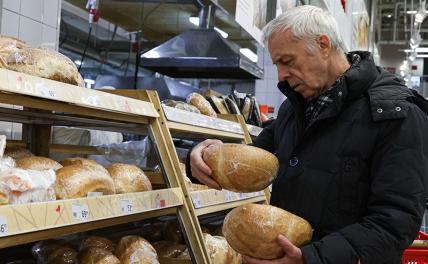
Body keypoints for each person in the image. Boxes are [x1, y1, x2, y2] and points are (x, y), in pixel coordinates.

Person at [187, 5, 428, 264]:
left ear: (323, 45)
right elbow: (248, 158)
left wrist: (311, 258)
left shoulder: (395, 114)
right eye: (277, 65)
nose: (281, 76)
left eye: (287, 62)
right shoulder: (295, 108)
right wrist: (201, 156)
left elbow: (395, 223)